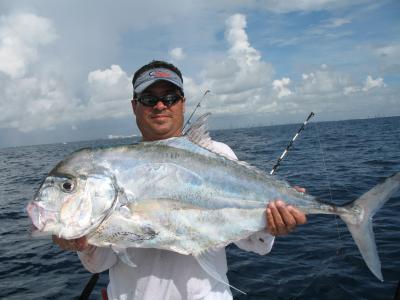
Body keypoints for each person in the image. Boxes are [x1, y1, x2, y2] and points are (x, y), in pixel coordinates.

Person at [53, 60, 307, 300]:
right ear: (135, 106)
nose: (160, 105)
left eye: (170, 98)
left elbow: (256, 245)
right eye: (149, 98)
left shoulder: (218, 155)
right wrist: (81, 243)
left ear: (183, 103)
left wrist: (272, 225)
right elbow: (99, 263)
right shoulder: (113, 170)